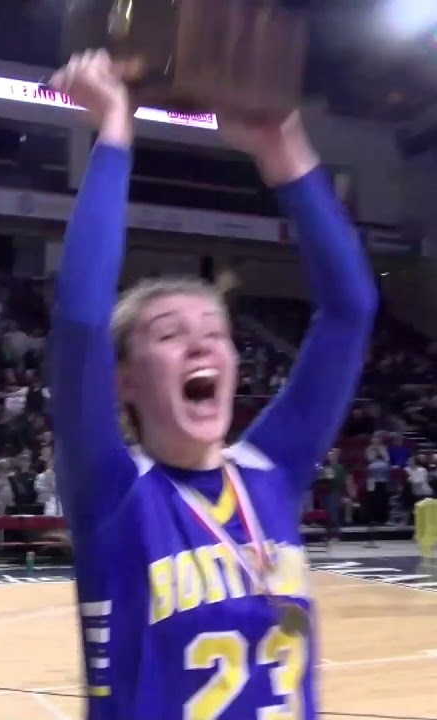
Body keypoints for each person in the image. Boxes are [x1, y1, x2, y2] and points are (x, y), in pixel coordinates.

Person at [47, 50, 375, 719]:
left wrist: (282, 147)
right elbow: (81, 322)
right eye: (168, 333)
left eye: (215, 331)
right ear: (126, 382)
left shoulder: (271, 471)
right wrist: (114, 128)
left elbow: (351, 308)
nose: (200, 341)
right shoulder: (112, 492)